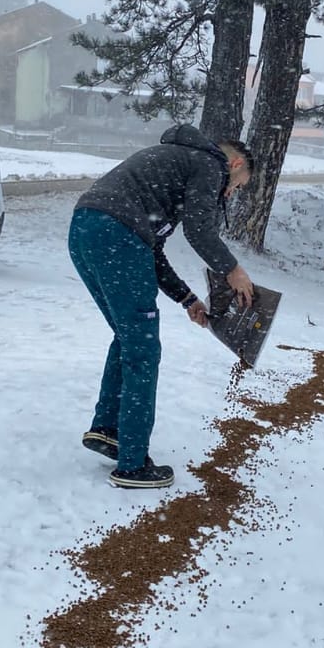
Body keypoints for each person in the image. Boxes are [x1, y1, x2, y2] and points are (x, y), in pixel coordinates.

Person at [67, 124, 256, 489]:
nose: (231, 193)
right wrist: (233, 269)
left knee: (127, 337)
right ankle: (132, 464)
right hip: (116, 236)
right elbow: (199, 231)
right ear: (234, 164)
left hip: (85, 228)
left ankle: (109, 429)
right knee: (143, 349)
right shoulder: (210, 164)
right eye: (238, 185)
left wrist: (187, 300)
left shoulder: (174, 164)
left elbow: (150, 248)